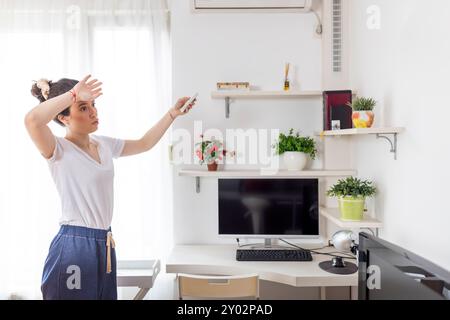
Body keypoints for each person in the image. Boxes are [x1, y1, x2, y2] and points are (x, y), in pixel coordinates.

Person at [24, 75, 196, 300]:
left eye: (93, 105)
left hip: (104, 242)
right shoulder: (58, 150)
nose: (93, 112)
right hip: (74, 245)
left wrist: (172, 114)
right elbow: (32, 121)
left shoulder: (103, 144)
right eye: (83, 108)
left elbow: (144, 143)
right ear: (63, 118)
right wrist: (73, 94)